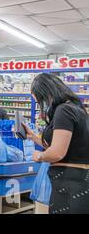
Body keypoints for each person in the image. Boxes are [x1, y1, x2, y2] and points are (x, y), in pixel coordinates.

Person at [22, 73, 89, 214]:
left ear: (46, 94)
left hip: (68, 182)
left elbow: (57, 152)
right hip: (79, 180)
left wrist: (39, 156)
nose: (41, 104)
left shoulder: (63, 110)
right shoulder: (76, 109)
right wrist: (33, 137)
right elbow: (61, 145)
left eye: (39, 99)